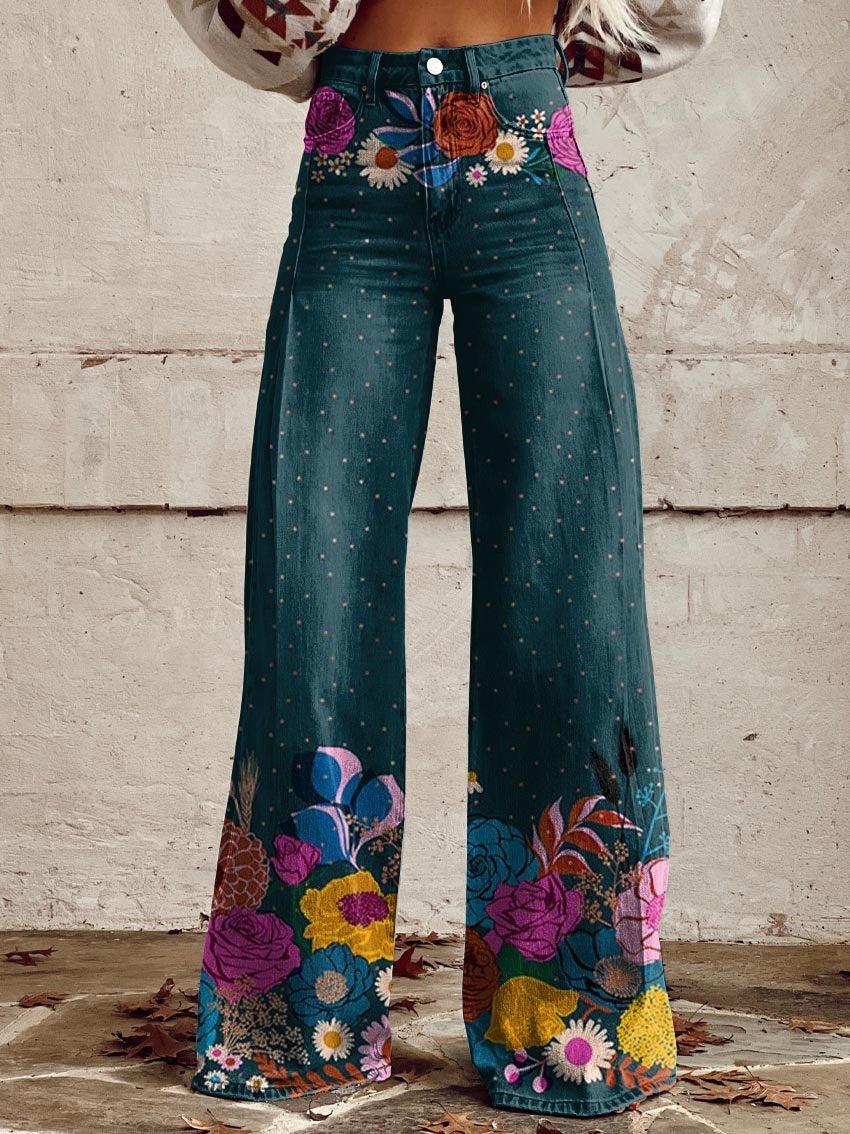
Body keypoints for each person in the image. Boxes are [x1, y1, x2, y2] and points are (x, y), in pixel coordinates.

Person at [165, 0, 722, 1118]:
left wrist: (534, 58)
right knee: (314, 593)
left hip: (527, 164)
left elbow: (679, 14)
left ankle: (573, 1023)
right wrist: (307, 42)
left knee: (571, 593)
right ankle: (300, 1021)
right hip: (351, 170)